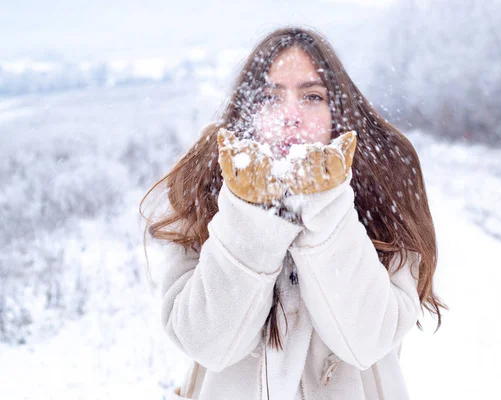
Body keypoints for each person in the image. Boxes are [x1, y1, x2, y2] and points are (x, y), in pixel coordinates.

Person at [140, 25, 447, 400]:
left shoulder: (383, 183)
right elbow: (205, 341)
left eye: (312, 96)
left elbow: (366, 342)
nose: (291, 116)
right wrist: (249, 210)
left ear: (338, 109)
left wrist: (326, 203)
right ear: (249, 109)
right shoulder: (206, 182)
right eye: (271, 98)